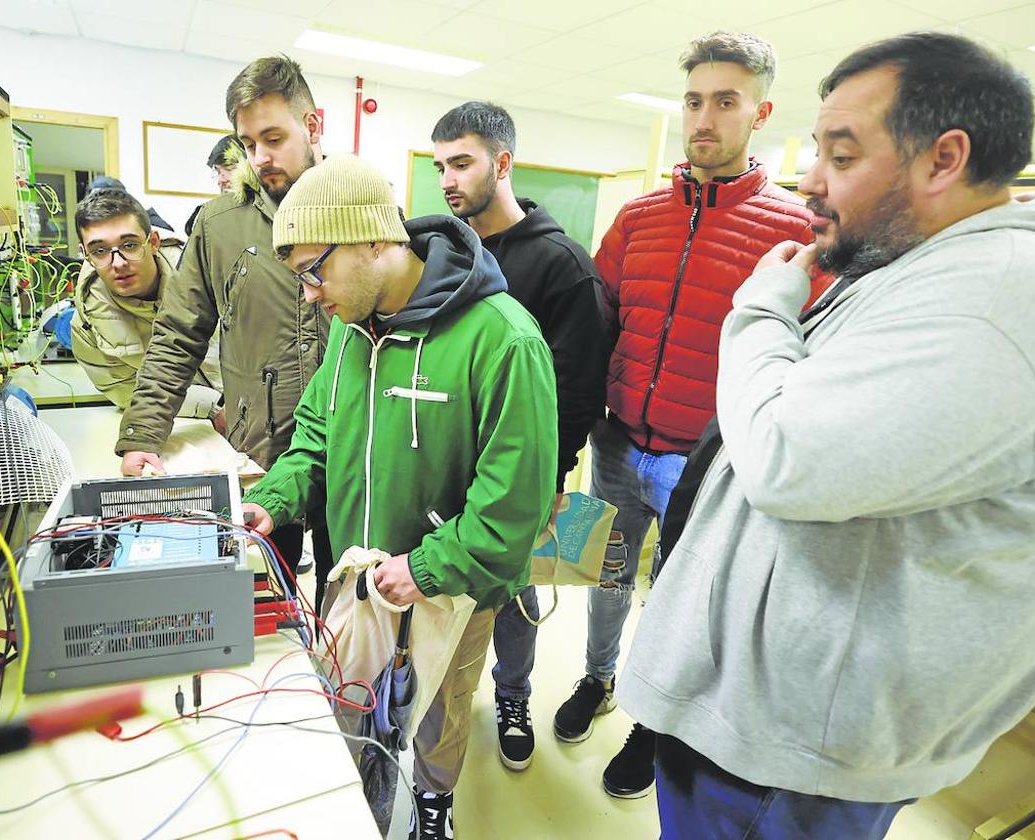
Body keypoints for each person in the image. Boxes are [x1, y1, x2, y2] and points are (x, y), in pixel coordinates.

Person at [620, 31, 1035, 839]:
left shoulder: (992, 301)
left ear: (944, 160)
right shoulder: (912, 266)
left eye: (840, 158)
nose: (811, 179)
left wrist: (760, 305)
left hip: (794, 753)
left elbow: (783, 456)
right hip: (762, 720)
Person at [241, 154, 557, 840]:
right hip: (362, 582)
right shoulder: (351, 331)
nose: (309, 294)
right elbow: (318, 434)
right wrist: (276, 497)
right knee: (354, 706)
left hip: (453, 585)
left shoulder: (502, 339)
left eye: (312, 270)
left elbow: (515, 507)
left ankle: (434, 805)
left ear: (373, 242)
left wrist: (427, 567)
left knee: (441, 710)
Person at [554, 31, 819, 800]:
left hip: (701, 464)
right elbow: (595, 327)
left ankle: (652, 719)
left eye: (725, 102)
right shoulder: (636, 219)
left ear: (760, 112)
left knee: (677, 598)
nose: (704, 118)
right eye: (694, 100)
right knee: (601, 573)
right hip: (614, 443)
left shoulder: (795, 234)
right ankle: (597, 678)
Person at [430, 101, 607, 772]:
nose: (448, 179)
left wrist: (542, 486)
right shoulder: (449, 250)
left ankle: (512, 697)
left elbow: (578, 393)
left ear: (502, 163)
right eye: (441, 164)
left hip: (524, 481)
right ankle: (442, 700)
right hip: (448, 468)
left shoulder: (563, 266)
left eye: (463, 163)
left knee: (514, 594)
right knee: (450, 588)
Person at [115, 55, 332, 586]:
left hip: (344, 460)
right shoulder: (218, 225)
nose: (260, 158)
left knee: (344, 605)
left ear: (313, 125)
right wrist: (143, 433)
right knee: (263, 601)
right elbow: (178, 333)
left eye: (274, 139)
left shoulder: (360, 213)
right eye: (248, 143)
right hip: (255, 454)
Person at [70, 188, 221, 417]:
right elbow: (128, 393)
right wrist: (214, 407)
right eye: (99, 251)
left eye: (129, 245)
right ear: (86, 255)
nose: (118, 263)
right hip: (186, 423)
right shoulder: (86, 328)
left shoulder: (206, 272)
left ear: (153, 242)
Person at [184, 134, 255, 235]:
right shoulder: (207, 217)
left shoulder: (274, 211)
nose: (221, 180)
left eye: (230, 168)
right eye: (218, 172)